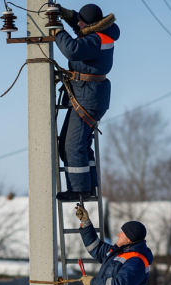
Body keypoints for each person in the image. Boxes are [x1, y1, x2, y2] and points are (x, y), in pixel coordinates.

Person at [53, 4, 119, 201]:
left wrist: (56, 30)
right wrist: (68, 15)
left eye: (80, 21)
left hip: (88, 98)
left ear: (89, 24)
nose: (78, 24)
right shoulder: (99, 33)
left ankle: (80, 189)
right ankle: (89, 187)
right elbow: (80, 25)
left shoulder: (94, 40)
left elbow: (72, 49)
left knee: (73, 146)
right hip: (88, 96)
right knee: (74, 144)